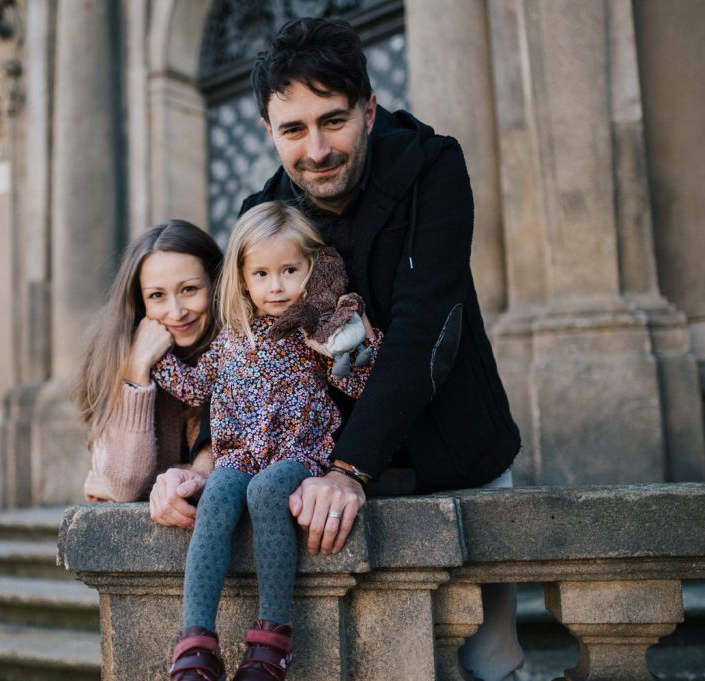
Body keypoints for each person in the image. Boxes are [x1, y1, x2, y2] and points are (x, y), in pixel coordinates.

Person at [242, 17, 524, 681]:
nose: (316, 149)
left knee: (490, 660)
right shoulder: (265, 212)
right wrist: (201, 458)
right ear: (268, 132)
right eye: (293, 129)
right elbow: (245, 353)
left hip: (459, 457)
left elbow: (427, 324)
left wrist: (350, 466)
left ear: (368, 111)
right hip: (335, 480)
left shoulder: (434, 166)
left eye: (333, 120)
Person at [154, 201, 380, 681]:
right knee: (218, 493)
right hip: (239, 455)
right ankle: (196, 641)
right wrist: (151, 358)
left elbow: (359, 385)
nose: (275, 286)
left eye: (289, 271)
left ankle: (272, 638)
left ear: (311, 269)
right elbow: (195, 388)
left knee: (265, 491)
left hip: (298, 453)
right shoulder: (232, 337)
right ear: (242, 279)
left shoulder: (315, 333)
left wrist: (358, 343)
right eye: (261, 274)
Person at [73, 220, 222, 504]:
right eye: (157, 296)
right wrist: (136, 371)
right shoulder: (116, 352)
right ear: (140, 302)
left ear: (215, 285)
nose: (176, 312)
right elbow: (126, 484)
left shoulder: (242, 349)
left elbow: (244, 463)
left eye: (189, 289)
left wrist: (146, 480)